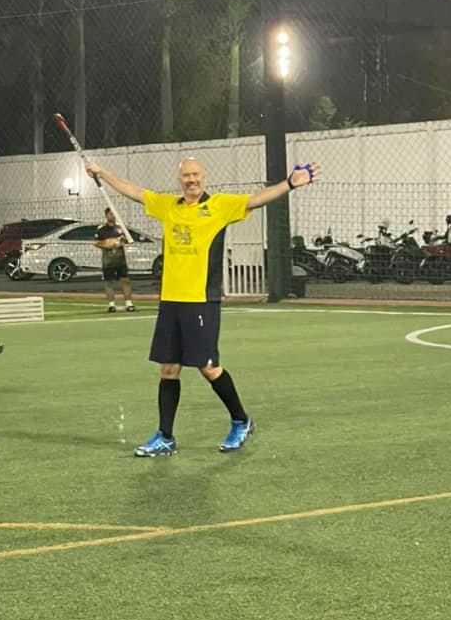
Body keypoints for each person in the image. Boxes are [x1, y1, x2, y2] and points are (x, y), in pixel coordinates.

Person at [85, 155, 320, 456]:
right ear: (179, 179)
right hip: (171, 300)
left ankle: (241, 420)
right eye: (186, 176)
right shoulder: (168, 206)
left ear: (204, 178)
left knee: (208, 367)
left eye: (196, 175)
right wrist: (103, 173)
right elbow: (135, 191)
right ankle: (165, 436)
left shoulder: (220, 206)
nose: (191, 180)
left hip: (201, 301)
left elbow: (256, 199)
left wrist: (289, 183)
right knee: (168, 369)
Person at [93, 207, 136, 313]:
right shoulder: (101, 229)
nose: (113, 216)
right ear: (106, 215)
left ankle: (129, 304)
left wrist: (123, 241)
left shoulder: (121, 228)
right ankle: (111, 305)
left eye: (114, 213)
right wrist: (108, 244)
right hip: (108, 260)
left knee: (125, 281)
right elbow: (96, 242)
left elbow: (128, 240)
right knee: (109, 282)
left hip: (121, 259)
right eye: (111, 214)